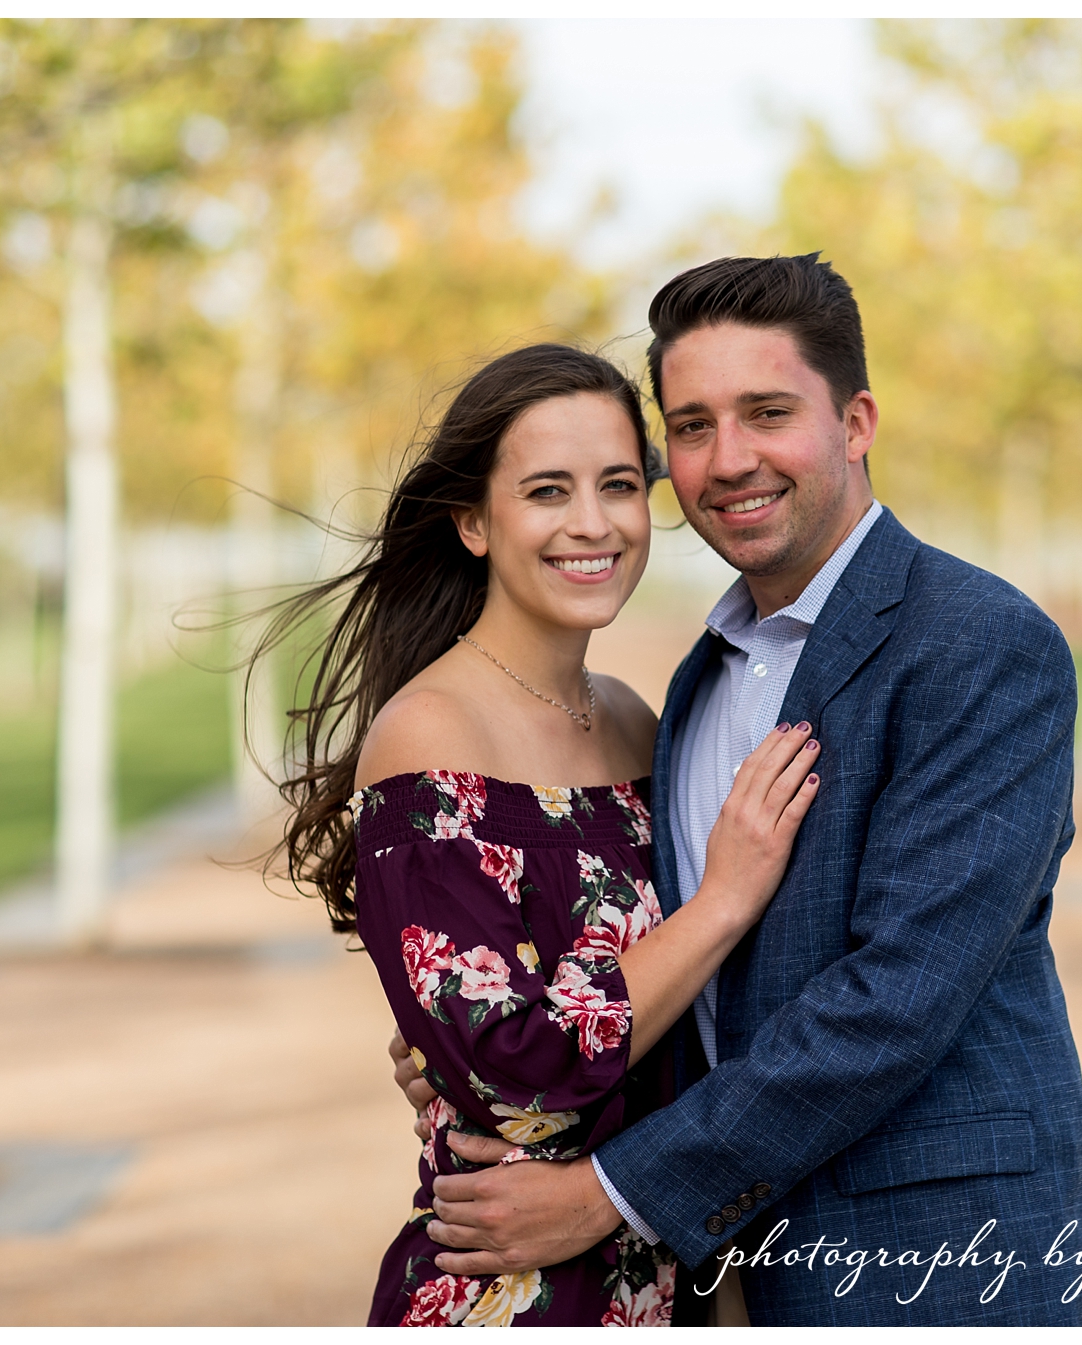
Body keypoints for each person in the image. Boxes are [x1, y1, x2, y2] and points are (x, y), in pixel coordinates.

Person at [394, 254, 1082, 1326]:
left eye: (765, 412)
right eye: (689, 426)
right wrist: (476, 1046)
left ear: (855, 420)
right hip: (728, 1270)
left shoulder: (978, 644)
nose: (727, 460)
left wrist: (603, 1193)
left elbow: (894, 1003)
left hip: (933, 1261)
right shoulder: (691, 682)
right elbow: (671, 968)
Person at [265, 343, 823, 1326]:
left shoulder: (636, 721)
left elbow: (684, 1020)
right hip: (515, 1294)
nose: (592, 523)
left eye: (617, 484)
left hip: (672, 1275)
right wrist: (726, 899)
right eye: (547, 491)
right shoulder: (428, 732)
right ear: (474, 521)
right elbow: (514, 1066)